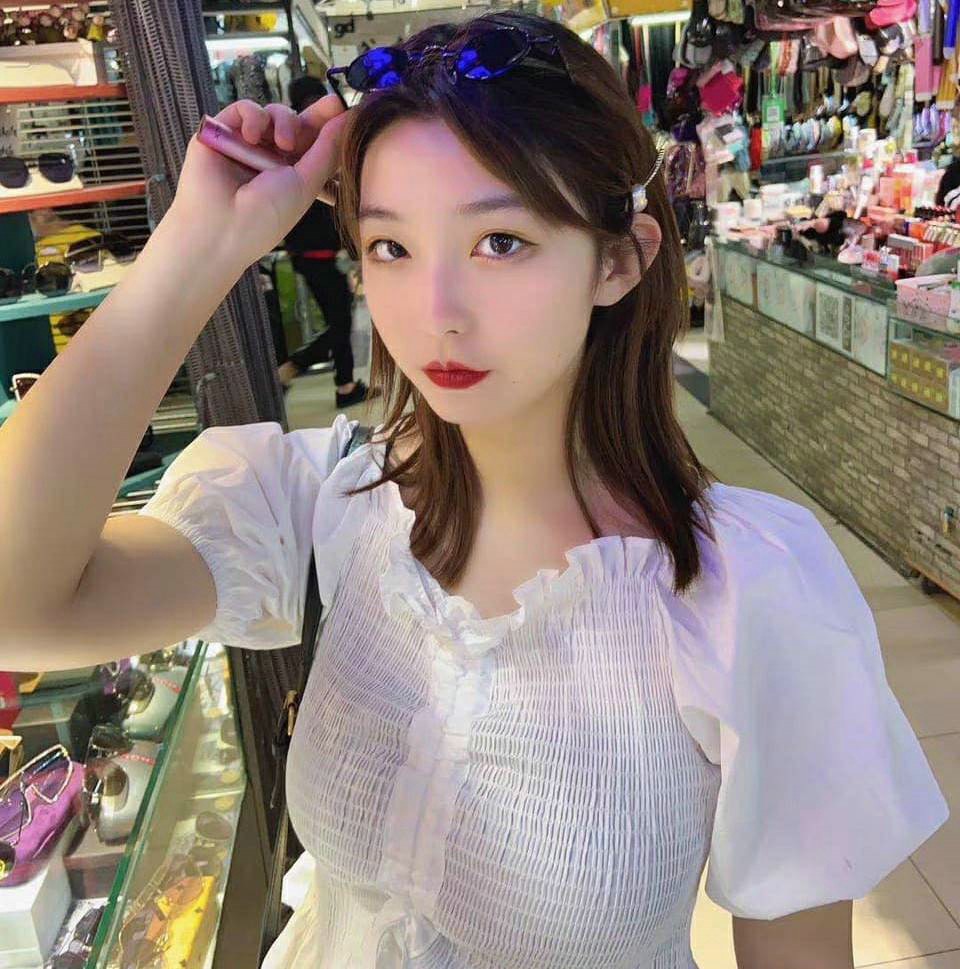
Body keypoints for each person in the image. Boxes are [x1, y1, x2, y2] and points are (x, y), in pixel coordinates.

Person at [0, 10, 948, 968]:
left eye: (500, 241)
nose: (437, 313)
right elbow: (17, 609)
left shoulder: (747, 591)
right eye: (391, 247)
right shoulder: (328, 500)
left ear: (620, 259)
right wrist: (198, 247)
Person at [276, 74, 381, 408]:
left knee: (341, 319)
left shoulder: (302, 144)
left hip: (314, 253)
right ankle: (300, 369)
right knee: (340, 321)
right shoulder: (312, 145)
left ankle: (341, 383)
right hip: (317, 253)